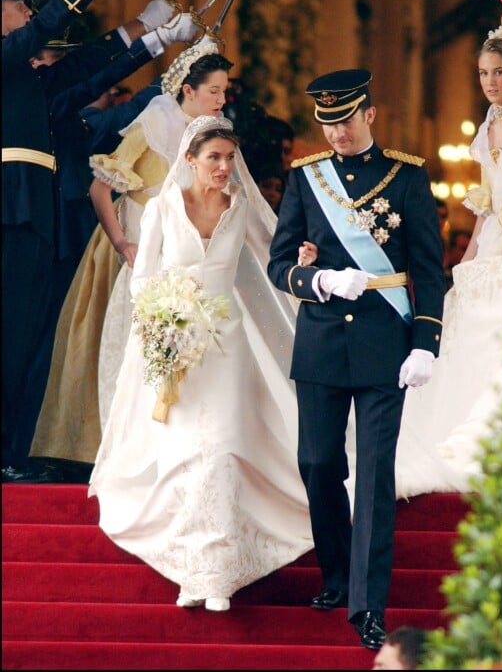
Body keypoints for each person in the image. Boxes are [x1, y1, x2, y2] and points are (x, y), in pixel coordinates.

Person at [88, 115, 313, 611]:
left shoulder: (241, 206)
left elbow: (273, 257)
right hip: (175, 339)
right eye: (214, 158)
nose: (224, 167)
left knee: (225, 447)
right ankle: (193, 570)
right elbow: (143, 277)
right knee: (187, 453)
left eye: (230, 158)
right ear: (189, 160)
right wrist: (163, 325)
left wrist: (305, 259)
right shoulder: (164, 208)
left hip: (227, 341)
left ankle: (221, 572)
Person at [267, 70, 446, 650]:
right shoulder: (306, 178)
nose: (337, 132)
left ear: (370, 114)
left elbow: (428, 269)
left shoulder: (408, 177)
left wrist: (425, 342)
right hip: (320, 338)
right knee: (318, 463)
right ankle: (338, 575)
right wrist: (317, 278)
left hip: (383, 344)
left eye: (345, 119)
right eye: (327, 122)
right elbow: (278, 265)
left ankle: (368, 606)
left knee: (373, 478)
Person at [31, 37, 235, 466]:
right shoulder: (156, 119)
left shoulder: (215, 135)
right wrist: (121, 242)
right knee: (128, 339)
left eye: (224, 91)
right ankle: (115, 446)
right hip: (136, 238)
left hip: (184, 249)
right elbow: (100, 187)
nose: (222, 99)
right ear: (188, 91)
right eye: (214, 90)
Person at [2, 0, 145, 482]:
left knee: (26, 335)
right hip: (11, 210)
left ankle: (12, 450)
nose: (28, 16)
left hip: (32, 212)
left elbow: (81, 69)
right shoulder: (8, 58)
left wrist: (146, 34)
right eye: (18, 8)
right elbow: (45, 30)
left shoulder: (24, 71)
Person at [393, 23, 502, 498]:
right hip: (496, 232)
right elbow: (484, 197)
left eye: (499, 72)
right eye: (483, 73)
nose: (490, 81)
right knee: (471, 314)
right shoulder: (487, 122)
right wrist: (470, 253)